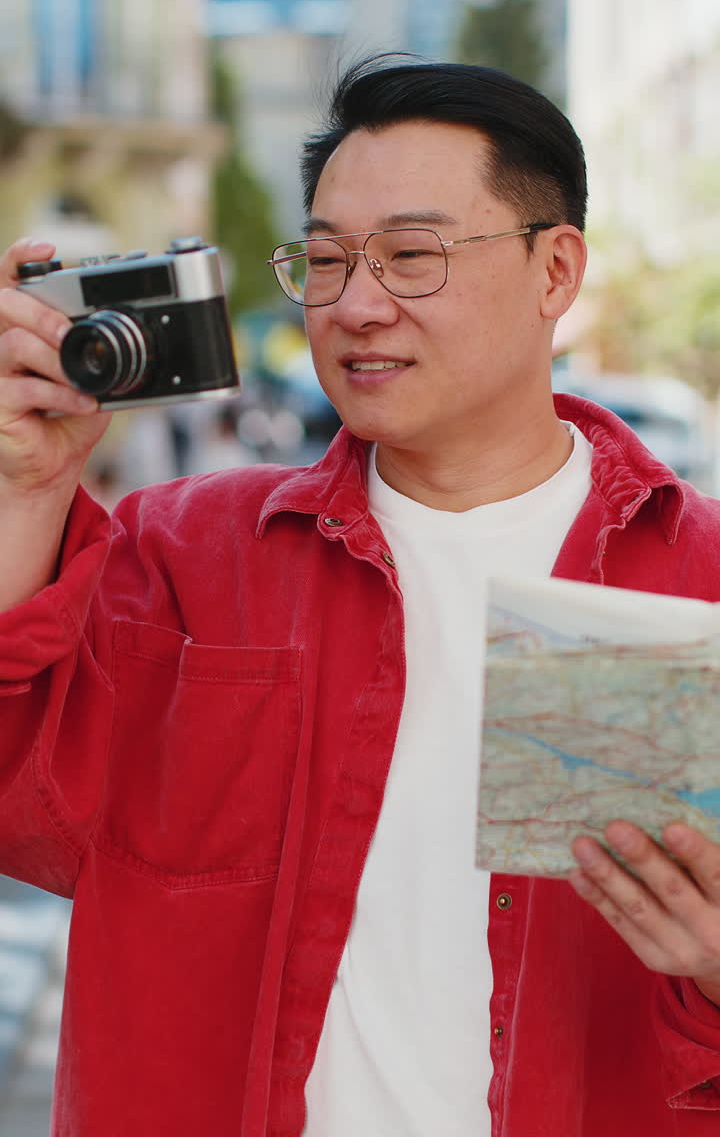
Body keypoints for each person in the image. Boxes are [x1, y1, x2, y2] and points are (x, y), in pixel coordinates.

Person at [0, 58, 720, 1137]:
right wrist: (26, 488)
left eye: (412, 255)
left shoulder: (691, 578)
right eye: (326, 259)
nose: (356, 303)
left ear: (556, 269)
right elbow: (26, 809)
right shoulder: (188, 557)